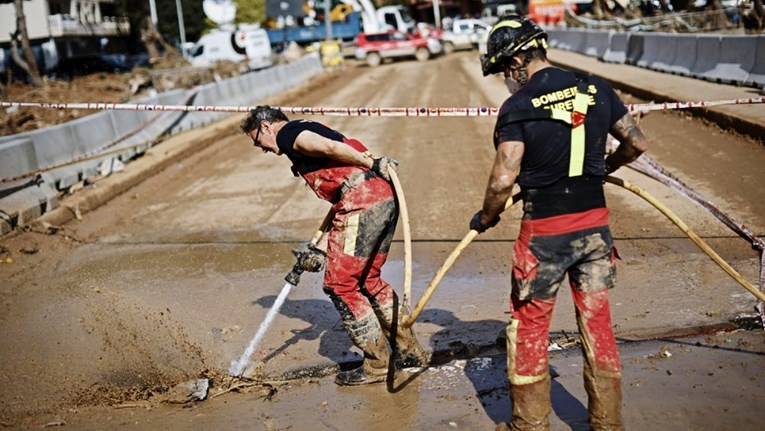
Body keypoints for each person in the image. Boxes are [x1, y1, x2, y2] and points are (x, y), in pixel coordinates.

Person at [473, 14, 648, 431]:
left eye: (502, 70)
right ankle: (607, 423)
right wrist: (605, 166)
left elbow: (503, 177)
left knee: (530, 324)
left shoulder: (517, 106)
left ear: (517, 60)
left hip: (546, 235)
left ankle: (529, 425)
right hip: (594, 229)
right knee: (597, 321)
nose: (505, 79)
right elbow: (637, 143)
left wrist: (487, 215)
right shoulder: (597, 89)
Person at [240, 106, 429, 386]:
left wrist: (371, 163)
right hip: (379, 197)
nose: (262, 148)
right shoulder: (303, 127)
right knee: (369, 281)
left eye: (258, 141)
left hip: (361, 201)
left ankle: (377, 364)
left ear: (266, 126)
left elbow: (329, 147)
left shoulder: (288, 134)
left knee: (341, 285)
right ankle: (410, 354)